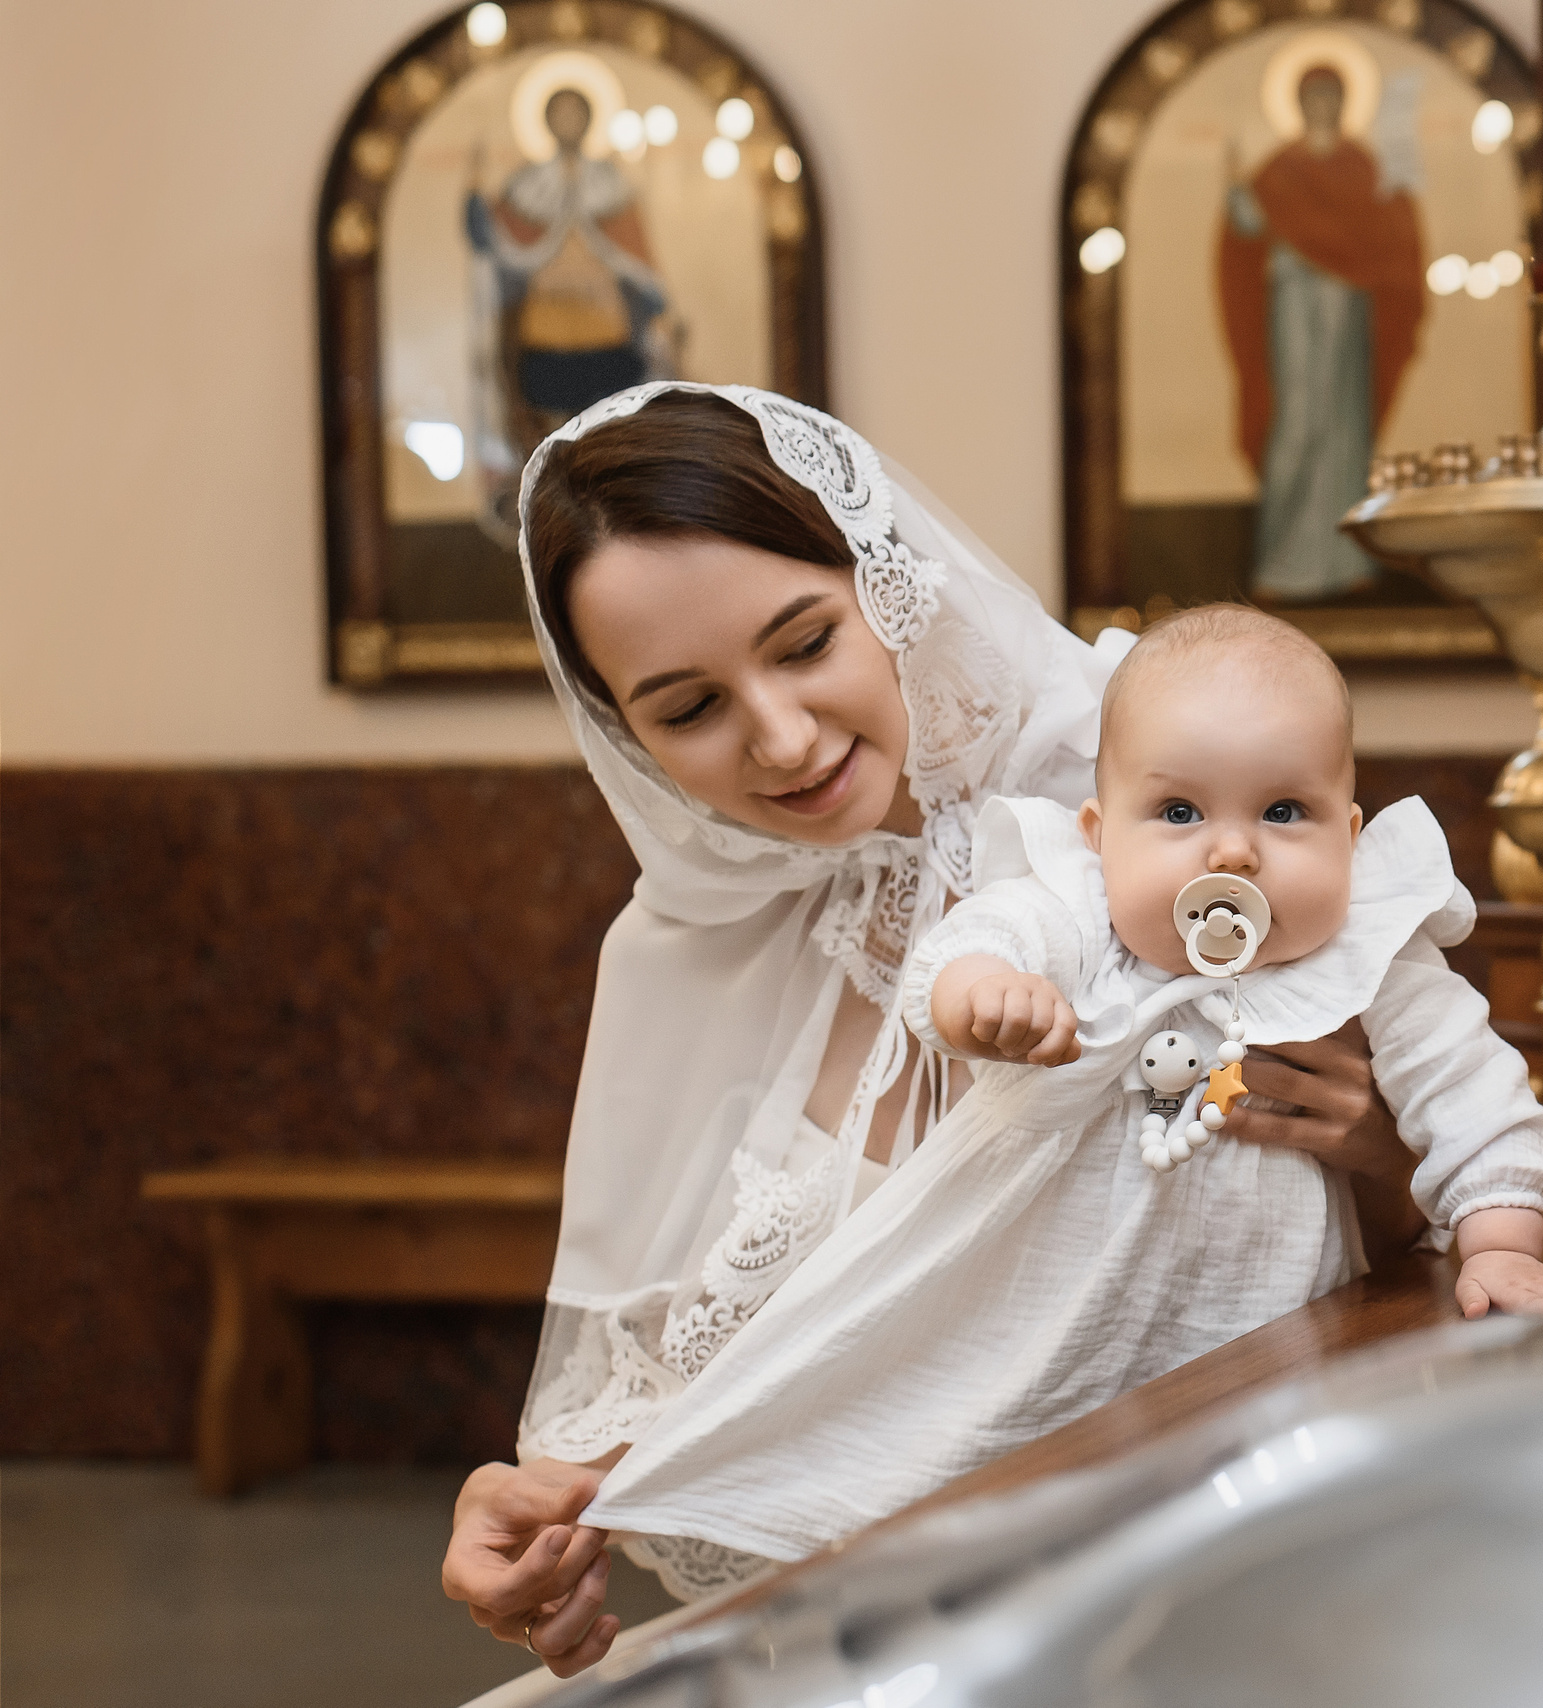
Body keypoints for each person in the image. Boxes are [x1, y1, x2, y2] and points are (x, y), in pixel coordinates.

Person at [440, 385, 1425, 1675]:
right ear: (628, 741)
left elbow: (1432, 1210)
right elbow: (707, 1396)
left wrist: (1383, 1151)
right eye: (689, 709)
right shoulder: (691, 952)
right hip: (875, 1628)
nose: (781, 738)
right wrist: (532, 1522)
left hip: (1208, 1593)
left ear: (889, 584)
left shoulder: (1159, 804)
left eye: (803, 643)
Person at [576, 605, 1543, 1564]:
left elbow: (1480, 1098)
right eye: (1178, 810)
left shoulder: (1372, 960)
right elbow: (964, 950)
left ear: (1351, 833)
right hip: (1056, 1342)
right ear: (1096, 835)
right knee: (999, 1505)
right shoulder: (1076, 918)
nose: (1232, 847)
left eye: (1285, 809)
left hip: (1273, 1351)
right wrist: (985, 994)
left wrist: (1502, 1246)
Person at [1218, 65, 1426, 602]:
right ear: (1297, 102)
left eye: (1332, 95)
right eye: (1312, 95)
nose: (1322, 104)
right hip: (1294, 308)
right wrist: (1237, 195)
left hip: (1347, 313)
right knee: (1298, 422)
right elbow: (1248, 228)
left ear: (1345, 101)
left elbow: (1391, 229)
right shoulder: (1279, 171)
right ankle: (1284, 561)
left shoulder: (1363, 167)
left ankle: (1346, 558)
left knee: (1344, 429)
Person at [465, 87, 674, 533]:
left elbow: (635, 254)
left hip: (607, 329)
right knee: (551, 448)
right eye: (557, 114)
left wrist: (654, 301)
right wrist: (477, 211)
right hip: (546, 333)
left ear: (588, 119)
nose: (567, 122)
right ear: (544, 120)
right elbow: (498, 241)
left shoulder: (612, 183)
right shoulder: (526, 185)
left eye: (574, 114)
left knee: (607, 439)